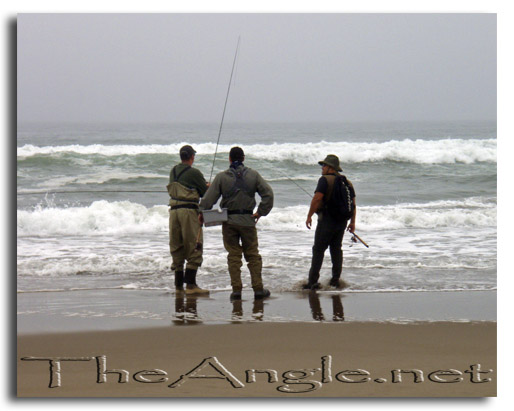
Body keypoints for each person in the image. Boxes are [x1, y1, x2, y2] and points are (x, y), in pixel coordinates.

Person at [199, 147, 274, 301]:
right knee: (252, 255)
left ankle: (236, 291)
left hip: (229, 222)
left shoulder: (221, 177)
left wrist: (201, 213)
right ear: (243, 158)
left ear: (230, 159)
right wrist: (260, 212)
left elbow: (208, 200)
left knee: (233, 256)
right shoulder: (253, 175)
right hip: (248, 221)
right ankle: (258, 289)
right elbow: (268, 194)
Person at [304, 154, 356, 289]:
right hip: (342, 222)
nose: (322, 168)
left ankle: (312, 282)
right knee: (336, 249)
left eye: (324, 165)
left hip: (327, 220)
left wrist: (309, 216)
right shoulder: (347, 182)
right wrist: (352, 223)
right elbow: (353, 204)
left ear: (331, 168)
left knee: (318, 250)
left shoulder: (325, 180)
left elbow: (317, 199)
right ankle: (335, 280)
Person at [167, 145, 210, 295]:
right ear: (192, 157)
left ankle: (179, 286)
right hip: (188, 212)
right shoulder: (194, 172)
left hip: (173, 212)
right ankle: (191, 286)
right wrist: (207, 186)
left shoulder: (173, 171)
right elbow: (205, 193)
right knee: (194, 245)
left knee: (177, 247)